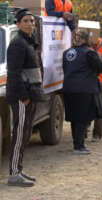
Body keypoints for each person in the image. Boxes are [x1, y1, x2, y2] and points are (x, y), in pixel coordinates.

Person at [6, 9, 44, 187]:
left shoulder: (29, 43)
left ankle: (18, 169)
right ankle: (14, 174)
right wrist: (24, 97)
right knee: (19, 135)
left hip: (31, 95)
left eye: (32, 21)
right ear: (18, 24)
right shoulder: (17, 44)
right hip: (22, 98)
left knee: (26, 134)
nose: (30, 24)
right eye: (26, 21)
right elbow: (13, 74)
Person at [62, 29, 102, 153]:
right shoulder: (89, 53)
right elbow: (101, 67)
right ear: (86, 39)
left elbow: (65, 68)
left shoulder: (67, 53)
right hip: (84, 89)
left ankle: (76, 143)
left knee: (74, 118)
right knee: (82, 118)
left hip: (68, 88)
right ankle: (79, 146)